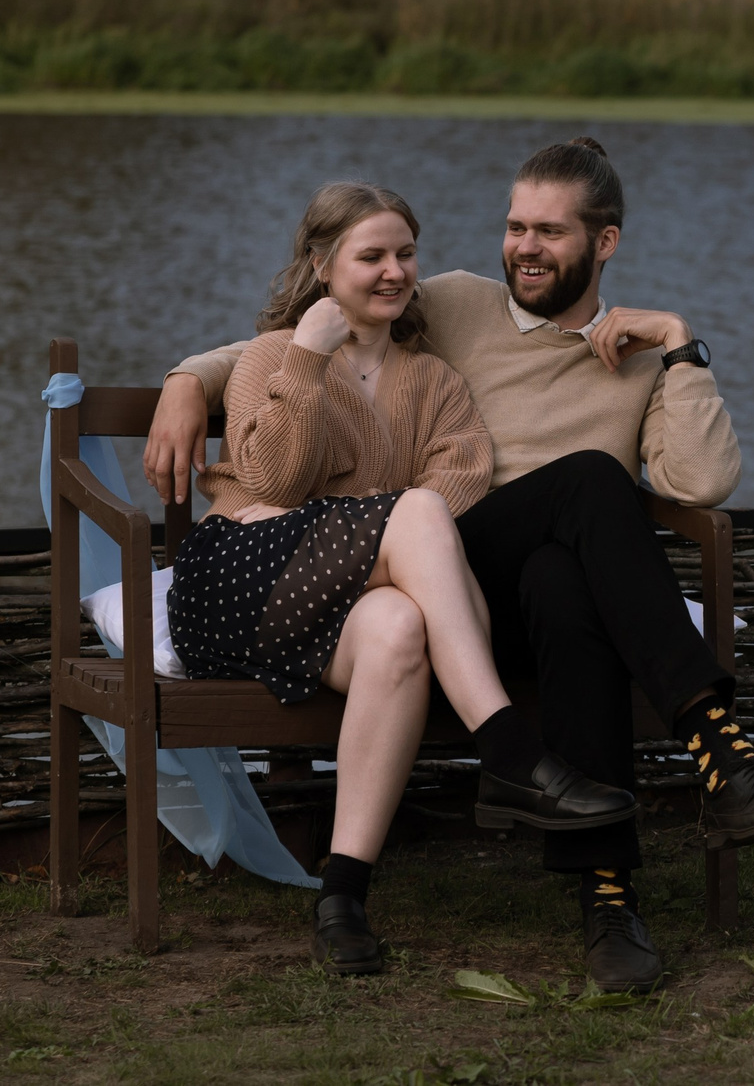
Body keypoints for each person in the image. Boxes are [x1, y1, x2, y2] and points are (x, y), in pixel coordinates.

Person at [146, 139, 754, 994]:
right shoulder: (460, 303)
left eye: (548, 230)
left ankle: (609, 899)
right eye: (515, 226)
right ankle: (719, 752)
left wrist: (682, 345)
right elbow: (329, 314)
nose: (525, 247)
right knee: (589, 478)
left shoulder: (640, 356)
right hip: (435, 551)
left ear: (604, 242)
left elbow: (703, 482)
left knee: (563, 574)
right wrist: (181, 380)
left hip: (497, 584)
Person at [166, 180, 637, 979]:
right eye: (371, 255)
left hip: (351, 599)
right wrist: (310, 358)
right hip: (239, 581)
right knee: (414, 515)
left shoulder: (435, 381)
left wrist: (370, 524)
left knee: (400, 627)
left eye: (406, 253)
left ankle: (342, 898)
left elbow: (456, 495)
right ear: (321, 264)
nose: (394, 271)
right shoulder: (274, 358)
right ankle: (510, 750)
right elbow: (275, 483)